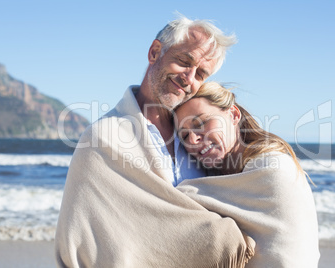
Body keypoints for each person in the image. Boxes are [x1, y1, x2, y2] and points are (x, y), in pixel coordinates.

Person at [55, 16, 256, 267]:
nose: (189, 78)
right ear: (154, 52)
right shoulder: (102, 137)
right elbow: (80, 241)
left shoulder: (196, 140)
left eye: (201, 74)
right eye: (184, 61)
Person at [175, 81, 320, 267]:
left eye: (202, 122)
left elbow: (179, 196)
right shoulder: (226, 176)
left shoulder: (272, 167)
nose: (194, 138)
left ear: (234, 115)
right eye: (185, 135)